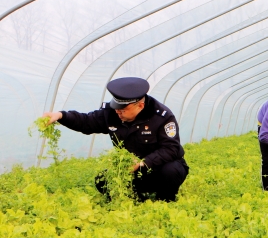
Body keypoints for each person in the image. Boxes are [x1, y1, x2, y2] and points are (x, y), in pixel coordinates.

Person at [43, 77, 189, 202]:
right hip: (131, 170)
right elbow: (87, 122)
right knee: (103, 180)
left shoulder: (161, 116)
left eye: (123, 109)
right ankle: (134, 200)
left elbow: (171, 149)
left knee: (171, 171)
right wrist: (61, 116)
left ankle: (164, 201)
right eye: (116, 108)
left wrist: (141, 163)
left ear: (140, 105)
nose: (118, 112)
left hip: (157, 169)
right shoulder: (112, 113)